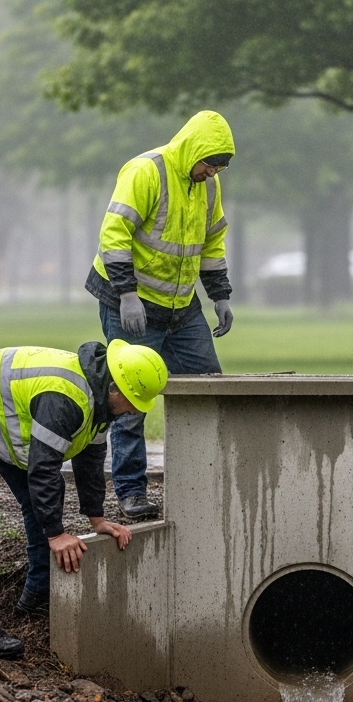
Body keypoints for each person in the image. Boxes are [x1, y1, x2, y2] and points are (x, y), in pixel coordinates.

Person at [0, 339, 168, 659]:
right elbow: (44, 469)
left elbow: (90, 460)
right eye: (134, 400)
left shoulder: (99, 402)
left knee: (40, 501)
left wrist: (96, 518)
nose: (137, 409)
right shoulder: (66, 398)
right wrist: (56, 533)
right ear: (113, 387)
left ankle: (38, 596)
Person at [84, 110, 236, 521]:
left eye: (220, 166)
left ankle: (207, 483)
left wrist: (220, 295)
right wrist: (126, 294)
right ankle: (131, 493)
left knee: (209, 390)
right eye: (210, 163)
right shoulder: (145, 171)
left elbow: (213, 240)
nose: (212, 172)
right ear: (194, 150)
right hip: (130, 303)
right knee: (130, 400)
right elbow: (113, 234)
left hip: (181, 308)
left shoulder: (209, 183)